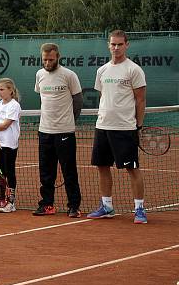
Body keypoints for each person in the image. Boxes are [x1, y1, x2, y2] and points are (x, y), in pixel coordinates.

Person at [87, 30, 148, 224]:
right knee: (102, 166)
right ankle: (107, 206)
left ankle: (139, 209)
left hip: (125, 128)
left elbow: (140, 101)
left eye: (120, 44)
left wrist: (138, 126)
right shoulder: (102, 70)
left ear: (126, 45)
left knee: (132, 169)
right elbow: (103, 96)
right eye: (113, 44)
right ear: (108, 45)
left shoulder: (134, 70)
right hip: (102, 126)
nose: (116, 48)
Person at [33, 43, 83, 218]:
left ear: (58, 57)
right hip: (44, 131)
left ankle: (74, 206)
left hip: (65, 132)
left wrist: (69, 121)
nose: (47, 63)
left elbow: (78, 101)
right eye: (45, 59)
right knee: (46, 172)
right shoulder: (39, 75)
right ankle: (47, 205)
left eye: (51, 59)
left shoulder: (69, 75)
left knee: (69, 171)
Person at [0, 78, 22, 213]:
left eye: (2, 89)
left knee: (9, 172)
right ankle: (1, 199)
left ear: (10, 90)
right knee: (0, 173)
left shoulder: (14, 105)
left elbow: (5, 124)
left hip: (9, 144)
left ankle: (11, 202)